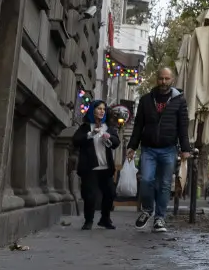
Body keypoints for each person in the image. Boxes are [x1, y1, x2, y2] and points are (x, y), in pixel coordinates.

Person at [126, 67, 192, 234]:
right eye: (161, 78)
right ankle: (148, 210)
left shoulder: (179, 100)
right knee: (147, 180)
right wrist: (132, 146)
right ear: (156, 79)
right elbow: (138, 125)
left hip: (169, 149)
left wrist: (185, 149)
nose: (163, 82)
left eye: (167, 79)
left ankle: (159, 218)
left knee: (164, 185)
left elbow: (183, 126)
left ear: (172, 80)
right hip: (149, 148)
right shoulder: (146, 100)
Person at [72, 100, 120, 230]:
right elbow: (76, 140)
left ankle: (105, 219)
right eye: (99, 108)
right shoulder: (85, 127)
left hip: (106, 167)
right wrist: (91, 134)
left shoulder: (108, 126)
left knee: (110, 193)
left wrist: (108, 138)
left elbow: (116, 142)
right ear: (93, 110)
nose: (102, 111)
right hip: (90, 167)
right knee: (90, 195)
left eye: (103, 109)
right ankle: (88, 220)